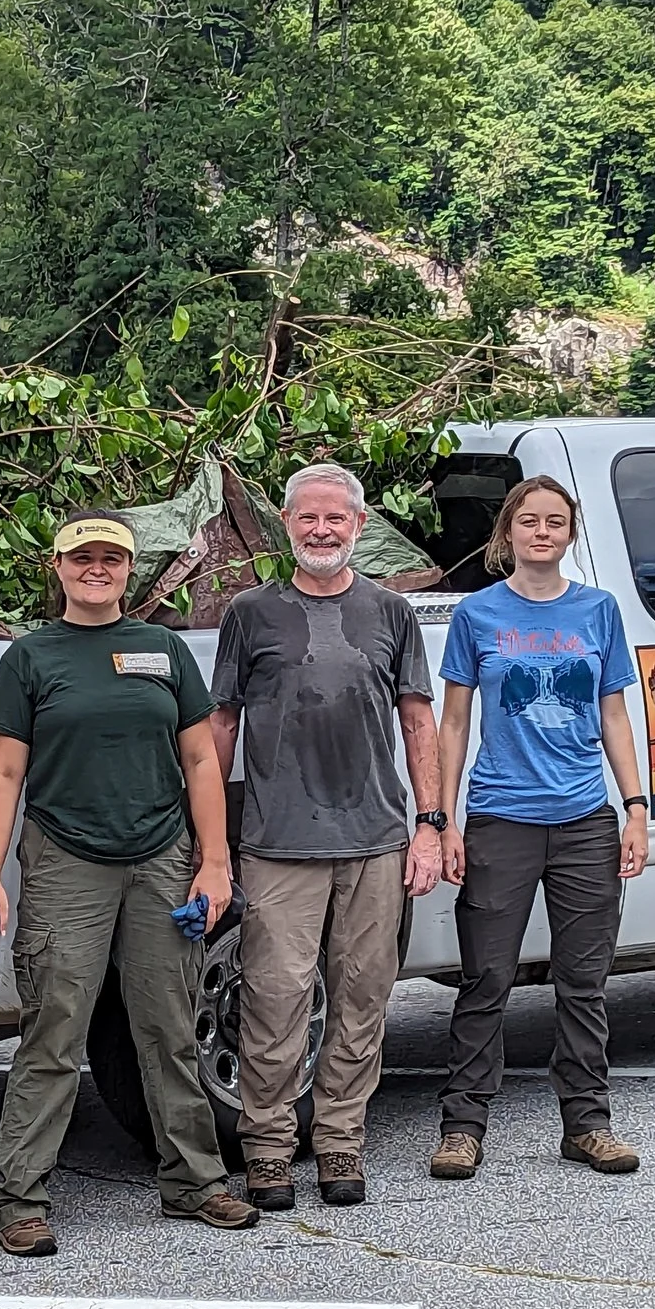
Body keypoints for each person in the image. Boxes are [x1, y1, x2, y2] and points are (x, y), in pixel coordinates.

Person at [0, 510, 260, 1255]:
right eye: (81, 557)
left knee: (166, 1025)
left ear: (130, 570)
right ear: (58, 567)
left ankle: (194, 1182)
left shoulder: (162, 650)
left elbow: (202, 760)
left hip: (162, 857)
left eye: (111, 558)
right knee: (54, 1029)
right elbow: (4, 772)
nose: (96, 568)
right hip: (67, 859)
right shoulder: (32, 658)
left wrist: (214, 859)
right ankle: (19, 1198)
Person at [211, 462, 441, 1211]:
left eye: (335, 519)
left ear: (358, 525)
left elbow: (417, 719)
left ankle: (341, 1142)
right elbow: (221, 725)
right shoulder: (250, 613)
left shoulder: (391, 613)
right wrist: (208, 835)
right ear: (286, 524)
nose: (321, 530)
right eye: (307, 518)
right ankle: (269, 1149)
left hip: (376, 837)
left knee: (362, 996)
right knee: (275, 1000)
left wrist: (430, 826)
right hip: (278, 842)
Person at [430, 475, 649, 1183]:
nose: (542, 533)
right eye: (530, 521)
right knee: (485, 978)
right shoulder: (478, 616)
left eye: (556, 522)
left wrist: (637, 807)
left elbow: (615, 714)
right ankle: (463, 1126)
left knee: (583, 982)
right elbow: (455, 721)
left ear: (570, 533)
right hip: (500, 817)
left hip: (585, 818)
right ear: (508, 532)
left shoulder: (598, 611)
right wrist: (445, 818)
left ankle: (587, 1124)